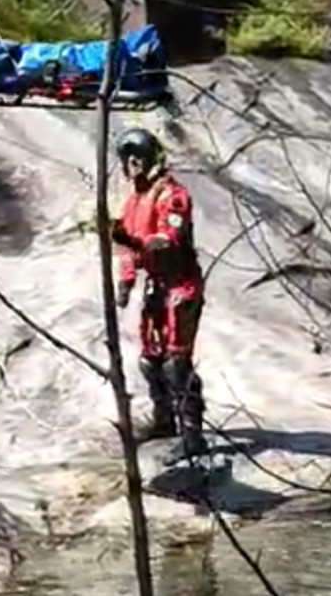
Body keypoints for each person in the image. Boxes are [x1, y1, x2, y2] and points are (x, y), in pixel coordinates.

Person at [111, 126, 208, 465]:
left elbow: (169, 238)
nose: (134, 163)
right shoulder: (133, 201)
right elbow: (125, 247)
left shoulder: (172, 195)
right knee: (150, 360)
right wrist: (125, 281)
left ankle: (193, 436)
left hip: (181, 284)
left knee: (174, 363)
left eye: (139, 156)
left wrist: (135, 243)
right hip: (155, 285)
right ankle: (164, 420)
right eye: (128, 157)